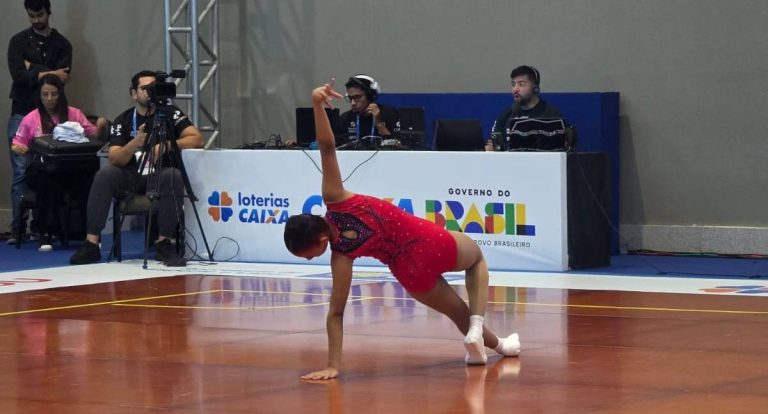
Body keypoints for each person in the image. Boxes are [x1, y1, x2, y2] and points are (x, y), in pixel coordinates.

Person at [283, 80, 521, 381]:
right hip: (425, 240)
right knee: (476, 259)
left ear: (320, 239)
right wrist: (317, 104)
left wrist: (334, 365)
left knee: (455, 312)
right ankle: (478, 330)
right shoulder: (335, 199)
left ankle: (501, 346)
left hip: (409, 272)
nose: (307, 260)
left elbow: (336, 314)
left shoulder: (341, 256)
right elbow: (328, 149)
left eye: (306, 255)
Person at [69, 70, 204, 265]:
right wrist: (136, 142)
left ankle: (164, 243)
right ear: (133, 93)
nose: (149, 92)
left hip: (159, 174)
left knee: (173, 175)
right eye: (144, 88)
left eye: (153, 88)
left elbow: (197, 139)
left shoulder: (169, 113)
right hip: (131, 175)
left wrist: (165, 144)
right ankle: (91, 244)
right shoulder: (122, 120)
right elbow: (115, 158)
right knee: (105, 174)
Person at [10, 74, 105, 251]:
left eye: (53, 94)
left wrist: (101, 126)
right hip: (42, 169)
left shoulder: (74, 114)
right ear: (39, 95)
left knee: (90, 182)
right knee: (47, 181)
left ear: (60, 94)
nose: (49, 99)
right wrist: (18, 148)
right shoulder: (31, 118)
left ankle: (90, 234)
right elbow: (17, 142)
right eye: (45, 94)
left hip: (71, 169)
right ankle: (46, 233)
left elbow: (93, 135)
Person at [6, 0, 72, 244]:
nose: (36, 20)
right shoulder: (18, 41)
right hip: (22, 111)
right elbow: (19, 77)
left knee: (49, 168)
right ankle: (17, 228)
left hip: (52, 115)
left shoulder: (62, 44)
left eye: (40, 15)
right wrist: (46, 72)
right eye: (31, 15)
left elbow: (63, 79)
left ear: (48, 12)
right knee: (21, 171)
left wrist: (32, 67)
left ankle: (41, 224)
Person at [486, 65, 574, 151]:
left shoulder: (550, 113)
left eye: (521, 84)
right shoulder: (507, 114)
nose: (515, 89)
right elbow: (493, 143)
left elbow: (566, 142)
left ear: (535, 88)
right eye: (513, 84)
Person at [334, 74, 399, 148]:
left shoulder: (389, 113)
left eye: (357, 97)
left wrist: (379, 123)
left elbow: (397, 147)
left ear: (370, 95)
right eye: (350, 98)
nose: (353, 103)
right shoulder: (345, 118)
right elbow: (337, 149)